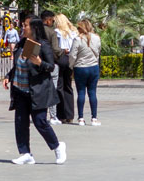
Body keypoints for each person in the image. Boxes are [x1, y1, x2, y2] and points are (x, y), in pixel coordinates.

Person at [6, 16, 66, 166]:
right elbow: (19, 65)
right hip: (20, 90)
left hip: (36, 91)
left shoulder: (42, 45)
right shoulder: (23, 43)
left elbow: (51, 66)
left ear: (34, 28)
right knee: (20, 123)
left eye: (25, 25)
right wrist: (9, 76)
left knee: (40, 122)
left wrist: (40, 63)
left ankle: (57, 146)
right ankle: (25, 153)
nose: (22, 27)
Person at [44, 12, 75, 124]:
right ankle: (70, 114)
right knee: (68, 86)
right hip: (70, 60)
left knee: (59, 87)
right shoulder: (73, 32)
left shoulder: (56, 32)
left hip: (60, 59)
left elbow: (56, 49)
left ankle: (61, 114)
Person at [69, 18, 102, 126]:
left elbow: (73, 55)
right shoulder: (97, 38)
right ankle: (94, 118)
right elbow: (98, 52)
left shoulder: (77, 39)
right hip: (93, 67)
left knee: (81, 92)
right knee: (92, 92)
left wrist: (71, 66)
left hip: (80, 67)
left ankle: (81, 118)